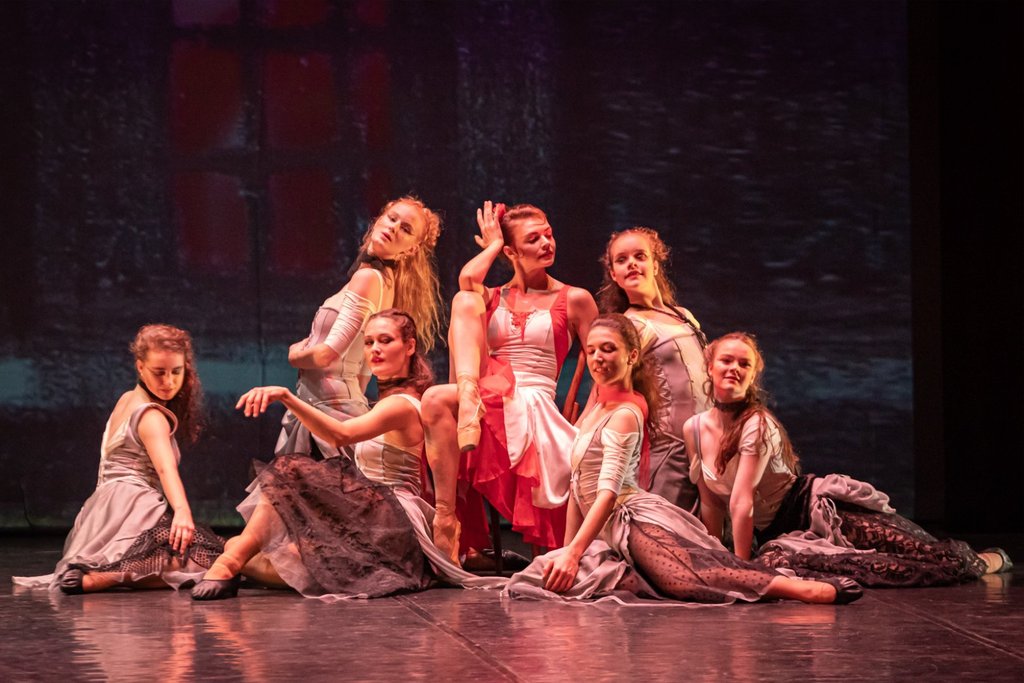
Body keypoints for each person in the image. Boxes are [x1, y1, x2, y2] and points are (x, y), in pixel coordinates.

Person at [505, 315, 862, 604]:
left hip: (632, 522)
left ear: (631, 356)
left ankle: (798, 589)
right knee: (535, 579)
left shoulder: (626, 414)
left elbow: (607, 493)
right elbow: (577, 484)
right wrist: (568, 550)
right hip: (606, 533)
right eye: (592, 349)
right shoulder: (596, 410)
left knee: (684, 577)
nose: (598, 357)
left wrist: (574, 553)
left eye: (608, 349)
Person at [191, 310, 506, 600]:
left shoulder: (401, 405)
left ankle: (228, 562)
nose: (375, 350)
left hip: (391, 517)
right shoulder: (383, 403)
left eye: (386, 340)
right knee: (264, 550)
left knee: (290, 470)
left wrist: (287, 396)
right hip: (368, 513)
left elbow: (341, 435)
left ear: (409, 346)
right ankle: (231, 557)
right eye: (369, 342)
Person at [687, 332, 1013, 586]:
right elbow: (711, 503)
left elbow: (742, 501)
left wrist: (741, 567)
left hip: (819, 513)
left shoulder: (756, 423)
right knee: (874, 569)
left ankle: (989, 560)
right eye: (726, 360)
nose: (734, 368)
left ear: (753, 375)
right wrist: (716, 556)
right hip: (783, 537)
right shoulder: (695, 429)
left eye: (744, 364)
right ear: (710, 367)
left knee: (926, 556)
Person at [421, 201, 599, 563]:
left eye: (548, 234)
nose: (547, 243)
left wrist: (587, 423)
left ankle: (469, 403)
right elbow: (467, 281)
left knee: (438, 397)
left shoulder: (575, 298)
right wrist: (492, 246)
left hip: (534, 400)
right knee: (463, 300)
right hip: (486, 397)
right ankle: (445, 517)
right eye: (533, 239)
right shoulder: (491, 296)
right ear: (511, 252)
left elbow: (604, 369)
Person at [13, 324, 223, 593]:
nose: (169, 381)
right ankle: (105, 577)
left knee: (200, 557)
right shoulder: (151, 416)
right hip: (133, 505)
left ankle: (100, 573)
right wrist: (182, 511)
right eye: (159, 372)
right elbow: (165, 469)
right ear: (140, 367)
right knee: (211, 560)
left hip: (102, 511)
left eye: (176, 371)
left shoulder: (127, 399)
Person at [276, 196, 442, 460]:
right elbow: (364, 373)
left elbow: (326, 355)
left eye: (406, 229)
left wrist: (294, 354)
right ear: (379, 219)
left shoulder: (368, 279)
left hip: (329, 409)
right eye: (392, 218)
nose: (394, 228)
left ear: (411, 249)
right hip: (330, 407)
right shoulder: (385, 283)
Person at [598, 227, 710, 511]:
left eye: (640, 256)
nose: (632, 264)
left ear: (656, 264)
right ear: (613, 274)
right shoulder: (630, 325)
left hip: (707, 441)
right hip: (671, 448)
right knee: (668, 523)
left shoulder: (683, 315)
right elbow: (605, 393)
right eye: (622, 260)